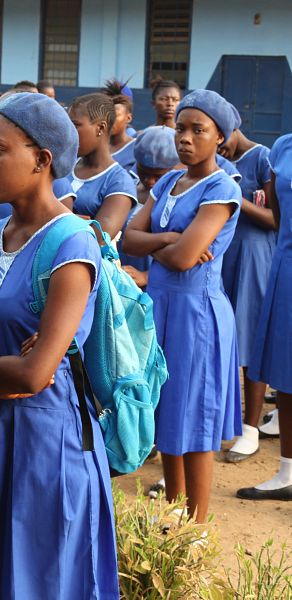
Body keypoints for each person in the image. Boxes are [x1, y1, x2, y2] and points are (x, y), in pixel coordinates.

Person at [0, 92, 119, 599]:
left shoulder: (72, 243)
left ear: (42, 160)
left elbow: (35, 374)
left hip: (45, 443)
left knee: (36, 577)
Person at [123, 89, 242, 523]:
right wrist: (171, 239)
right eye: (181, 129)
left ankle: (197, 528)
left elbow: (185, 259)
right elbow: (129, 239)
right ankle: (173, 517)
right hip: (161, 306)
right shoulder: (171, 181)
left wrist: (167, 245)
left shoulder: (222, 188)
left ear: (220, 139)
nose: (186, 138)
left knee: (196, 420)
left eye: (199, 130)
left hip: (198, 316)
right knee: (165, 410)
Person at [219, 112, 276, 463]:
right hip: (224, 254)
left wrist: (232, 196)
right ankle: (221, 421)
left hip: (254, 258)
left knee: (251, 339)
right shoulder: (217, 161)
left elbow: (275, 219)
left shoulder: (262, 156)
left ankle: (250, 427)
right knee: (224, 339)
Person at [238, 133, 292, 500]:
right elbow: (276, 210)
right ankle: (287, 471)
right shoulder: (284, 146)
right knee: (286, 375)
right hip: (286, 266)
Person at [60, 93, 136, 239]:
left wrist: (55, 219)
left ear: (100, 128)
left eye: (75, 125)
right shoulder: (64, 166)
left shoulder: (120, 182)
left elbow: (99, 238)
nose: (69, 132)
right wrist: (79, 221)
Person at [120, 125, 179, 288]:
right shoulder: (126, 187)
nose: (150, 181)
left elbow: (186, 253)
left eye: (158, 176)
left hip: (159, 284)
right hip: (123, 281)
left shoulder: (178, 199)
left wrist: (147, 276)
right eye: (144, 173)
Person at [103, 79, 136, 172]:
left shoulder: (137, 148)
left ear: (128, 117)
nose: (110, 119)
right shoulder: (96, 146)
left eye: (115, 115)